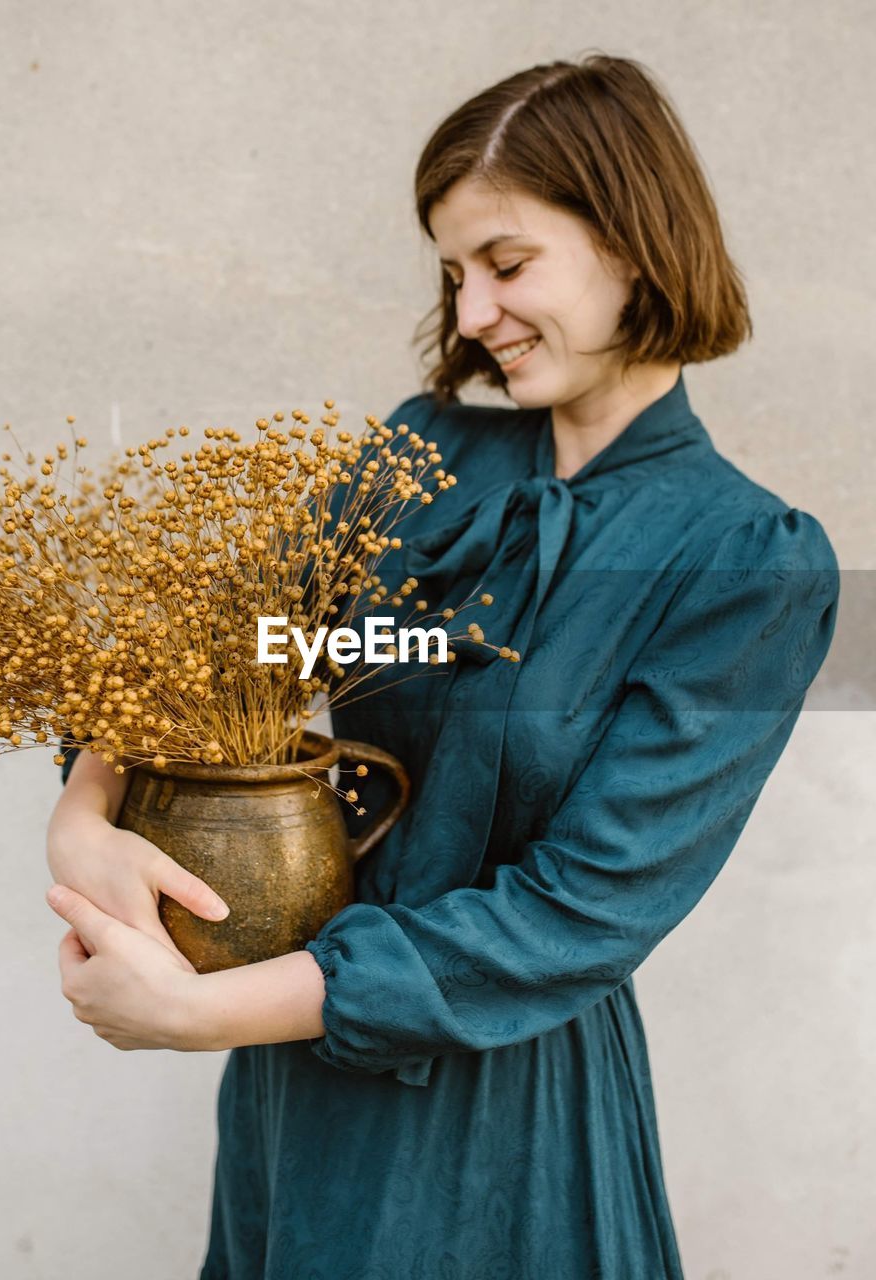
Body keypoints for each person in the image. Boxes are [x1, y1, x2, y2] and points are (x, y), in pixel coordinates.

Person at [45, 54, 840, 1278]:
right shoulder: (421, 455)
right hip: (286, 1091)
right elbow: (227, 661)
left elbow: (580, 912)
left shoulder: (749, 561)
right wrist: (84, 816)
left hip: (505, 1118)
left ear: (635, 242)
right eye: (454, 274)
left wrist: (204, 1010)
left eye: (507, 265)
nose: (471, 315)